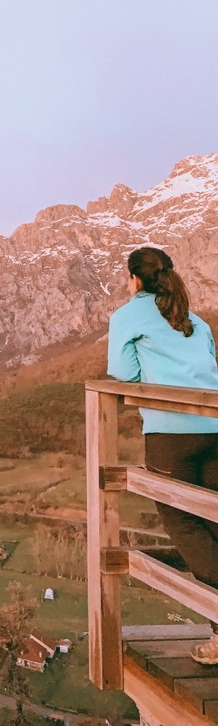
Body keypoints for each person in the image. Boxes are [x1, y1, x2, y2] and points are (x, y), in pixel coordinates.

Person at [107, 246, 218, 665]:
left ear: (134, 279)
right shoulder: (196, 319)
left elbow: (123, 374)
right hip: (215, 428)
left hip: (171, 434)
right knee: (212, 520)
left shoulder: (128, 316)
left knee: (184, 524)